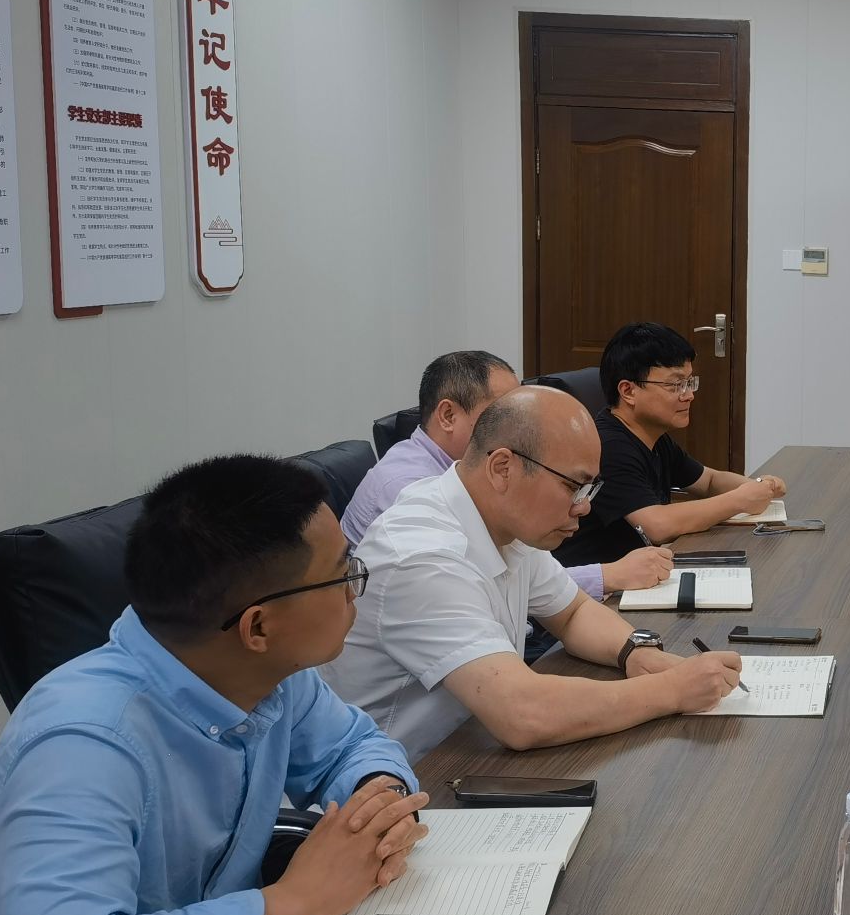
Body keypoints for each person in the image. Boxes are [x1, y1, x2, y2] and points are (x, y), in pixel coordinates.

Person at [0, 456, 430, 915]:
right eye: (343, 574)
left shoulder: (271, 674)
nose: (355, 588)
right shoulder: (83, 746)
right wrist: (293, 901)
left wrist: (377, 801)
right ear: (258, 626)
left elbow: (351, 747)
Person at [330, 385, 741, 759]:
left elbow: (572, 612)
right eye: (574, 486)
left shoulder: (506, 519)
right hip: (403, 781)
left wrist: (636, 652)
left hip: (468, 747)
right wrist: (671, 690)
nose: (584, 506)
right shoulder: (422, 555)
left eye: (591, 489)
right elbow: (522, 714)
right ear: (502, 468)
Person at [344, 349, 672, 600]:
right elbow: (486, 584)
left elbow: (528, 574)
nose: (519, 422)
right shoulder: (409, 490)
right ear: (448, 415)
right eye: (502, 410)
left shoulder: (477, 476)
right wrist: (609, 575)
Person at [557, 322, 787, 565]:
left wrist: (759, 487)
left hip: (642, 569)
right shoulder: (607, 446)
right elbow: (657, 525)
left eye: (689, 382)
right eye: (676, 385)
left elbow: (709, 481)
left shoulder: (653, 437)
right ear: (628, 391)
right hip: (596, 581)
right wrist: (739, 500)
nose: (689, 395)